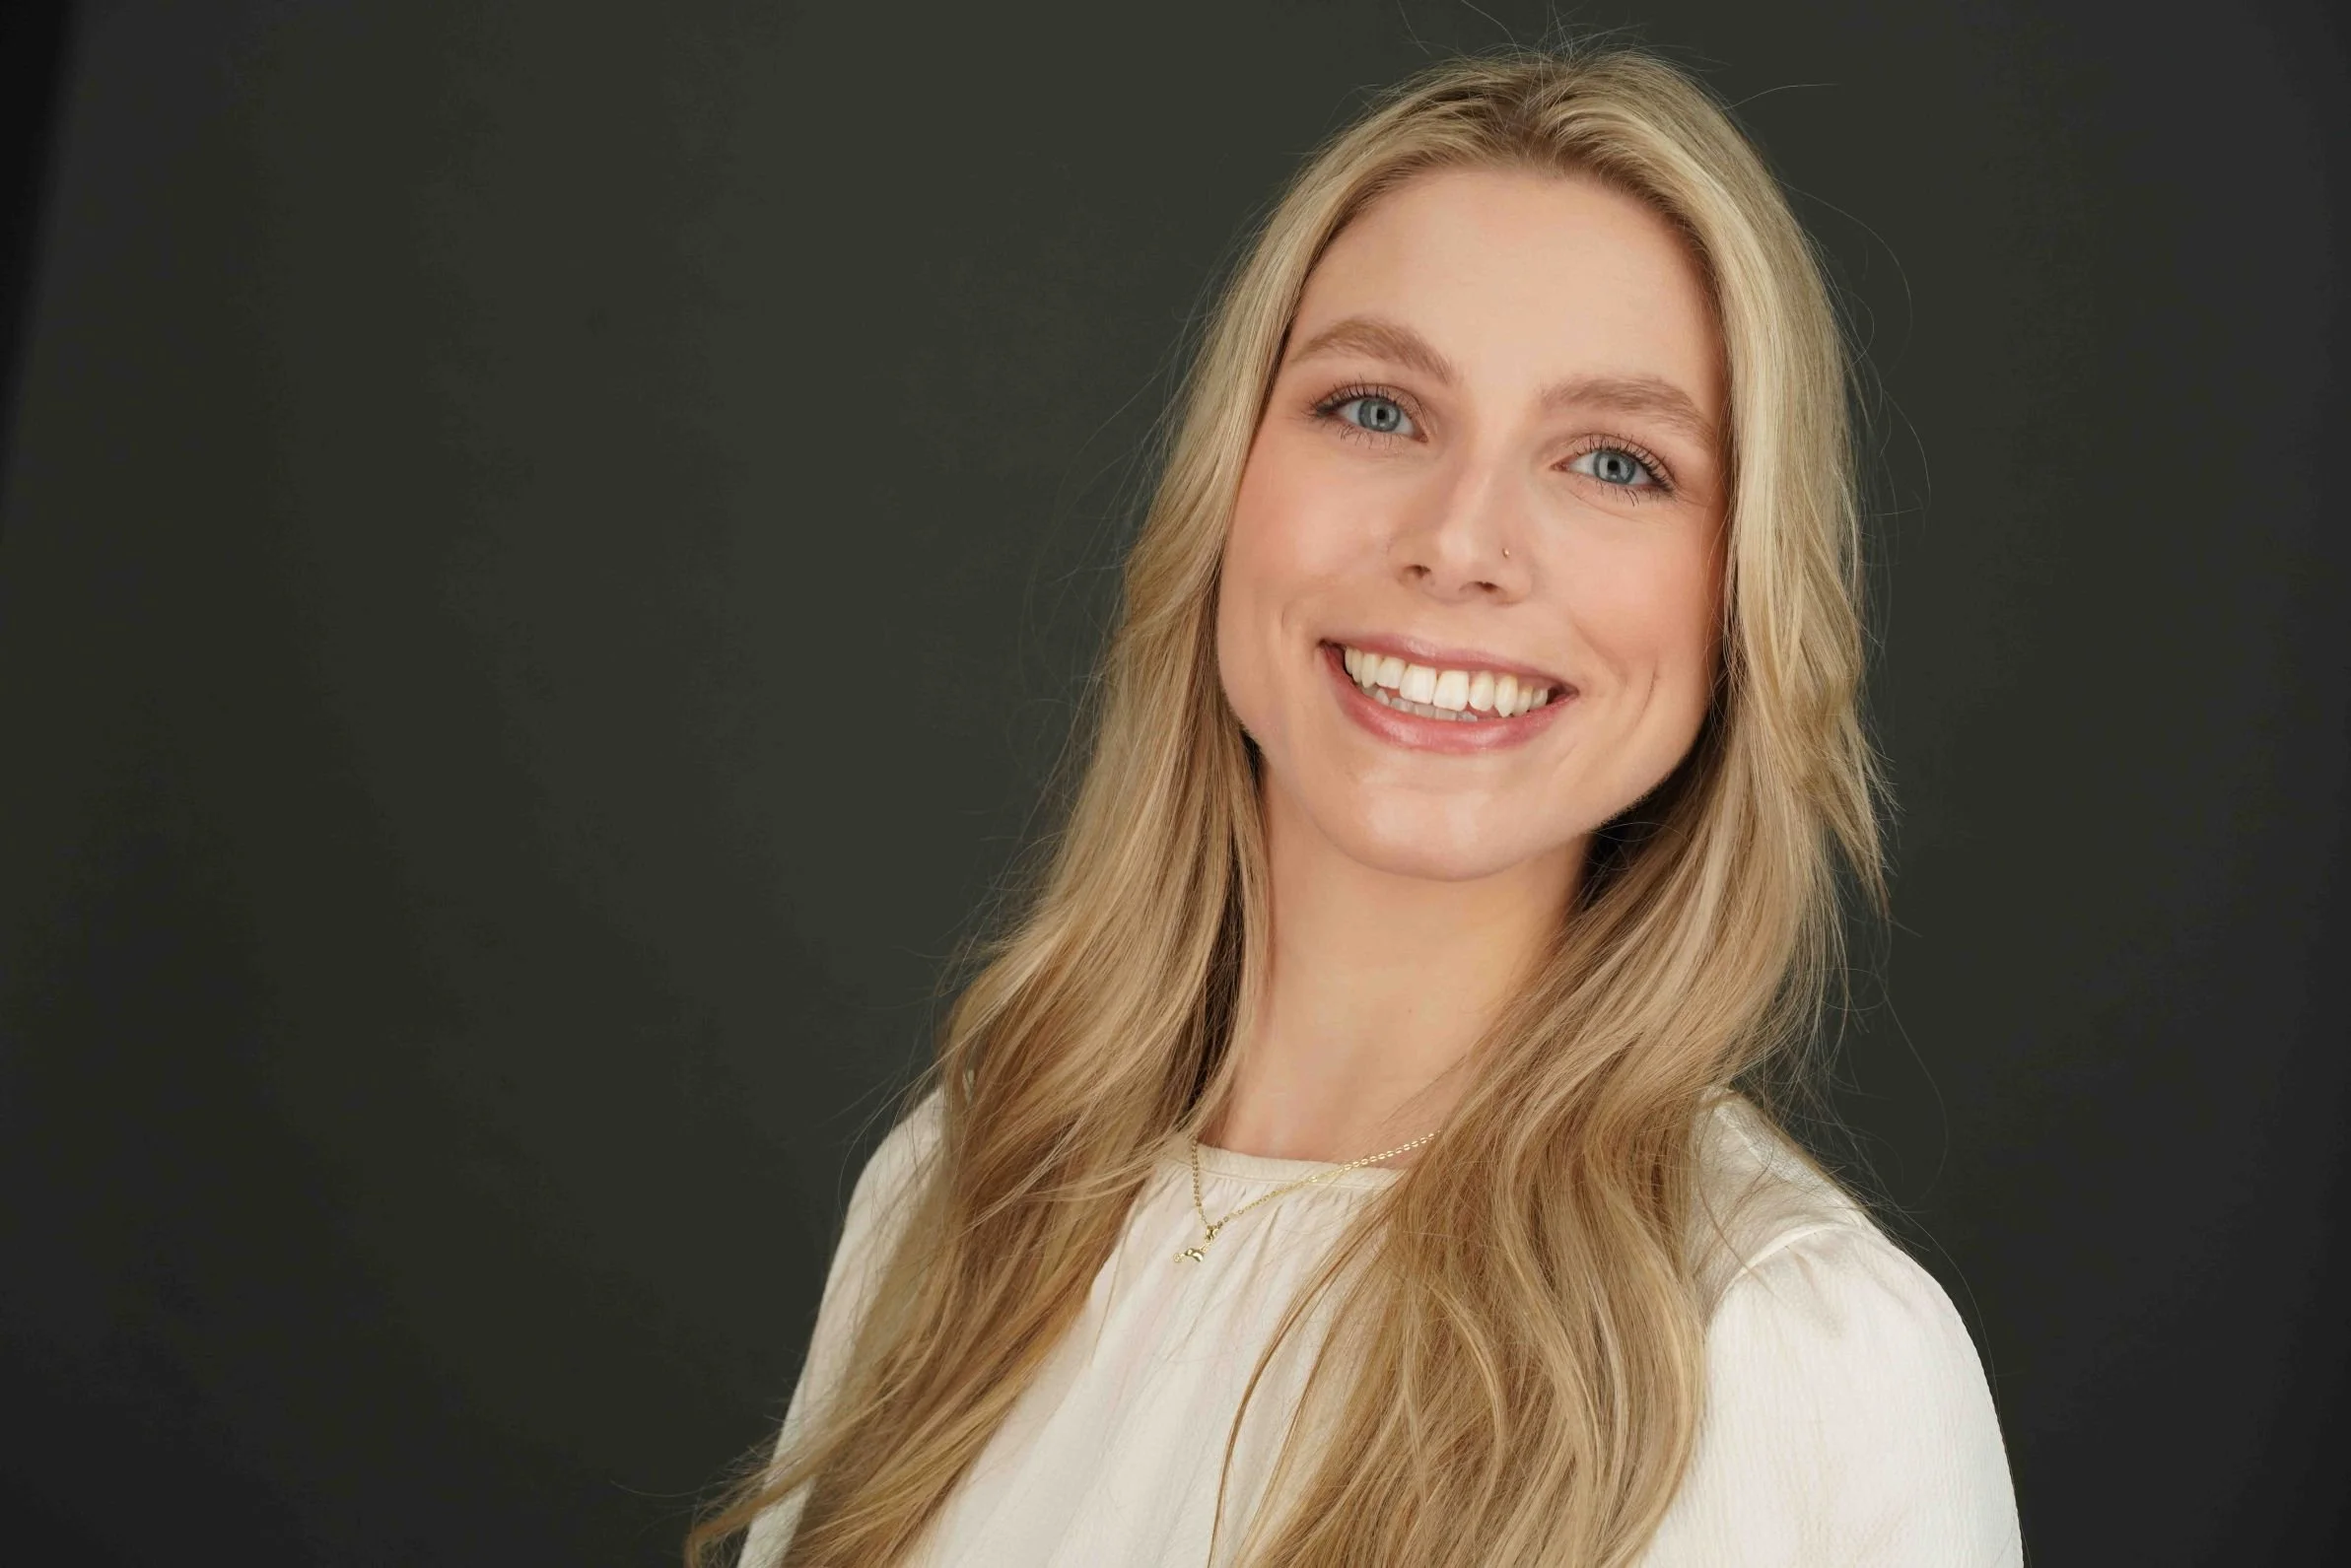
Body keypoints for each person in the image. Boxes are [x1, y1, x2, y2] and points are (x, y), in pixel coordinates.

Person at [690, 42, 2023, 1568]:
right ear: (1228, 486)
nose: (1461, 541)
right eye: (1378, 409)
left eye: (1614, 460)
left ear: (1739, 608)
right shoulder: (960, 1189)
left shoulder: (1793, 1359)